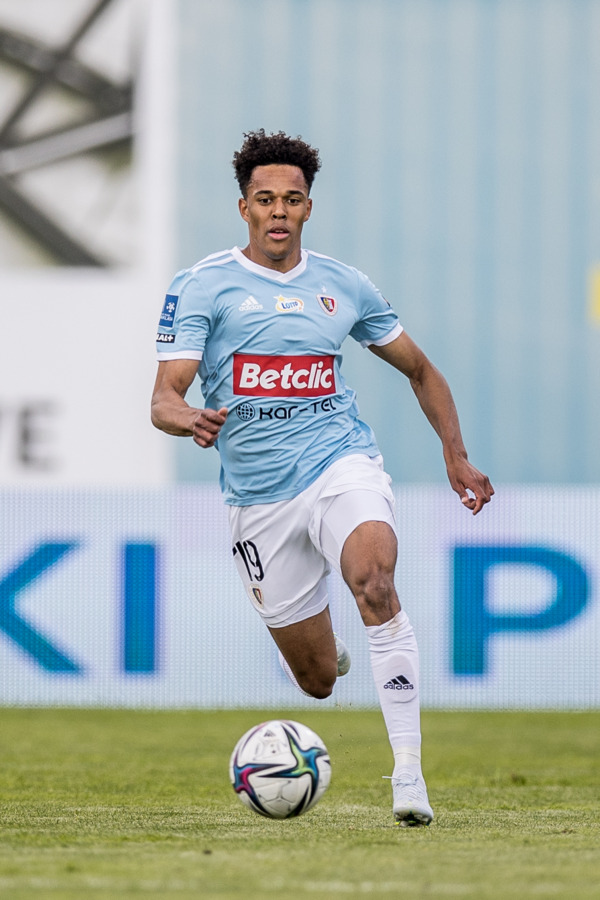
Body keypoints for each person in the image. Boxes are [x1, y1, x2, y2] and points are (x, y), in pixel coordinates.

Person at [151, 129, 494, 827]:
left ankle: (408, 773)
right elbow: (163, 398)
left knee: (375, 579)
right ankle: (325, 653)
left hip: (340, 461)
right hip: (258, 498)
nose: (278, 211)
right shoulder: (202, 285)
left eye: (292, 199)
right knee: (315, 683)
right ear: (244, 207)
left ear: (308, 207)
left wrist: (455, 455)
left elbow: (421, 370)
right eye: (265, 199)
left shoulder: (344, 285)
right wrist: (188, 418)